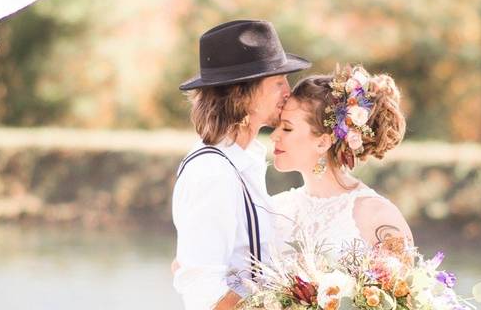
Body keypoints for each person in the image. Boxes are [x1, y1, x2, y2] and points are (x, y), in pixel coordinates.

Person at [172, 20, 311, 310]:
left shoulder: (246, 160)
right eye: (277, 82)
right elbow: (204, 290)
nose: (289, 91)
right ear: (240, 93)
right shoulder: (212, 172)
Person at [269, 64, 414, 255]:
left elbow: (403, 284)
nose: (274, 136)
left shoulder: (376, 215)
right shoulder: (275, 208)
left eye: (287, 128)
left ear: (322, 143)